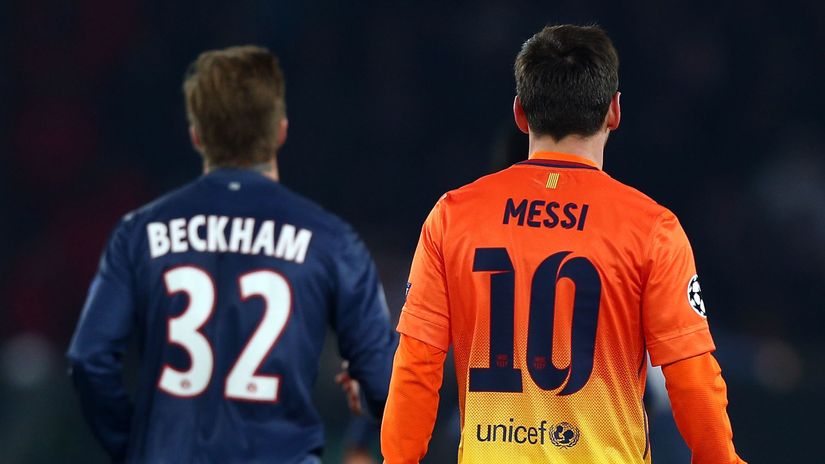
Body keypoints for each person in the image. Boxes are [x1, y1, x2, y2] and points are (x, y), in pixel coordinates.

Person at [381, 25, 746, 463]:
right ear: (614, 111)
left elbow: (417, 364)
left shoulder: (453, 216)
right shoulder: (652, 229)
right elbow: (691, 377)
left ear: (521, 113)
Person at [67, 45, 396, 464]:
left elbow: (88, 358)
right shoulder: (330, 240)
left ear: (197, 135)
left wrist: (131, 445)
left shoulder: (140, 233)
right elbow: (388, 383)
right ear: (280, 130)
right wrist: (369, 406)